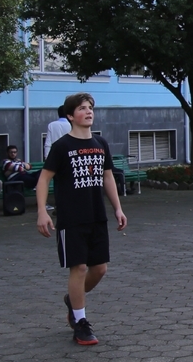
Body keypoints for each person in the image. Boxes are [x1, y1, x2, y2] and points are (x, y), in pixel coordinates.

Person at [34, 93, 126, 345]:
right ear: (70, 116)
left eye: (90, 108)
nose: (88, 112)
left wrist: (118, 208)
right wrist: (42, 211)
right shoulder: (62, 146)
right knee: (80, 268)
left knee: (100, 269)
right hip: (71, 218)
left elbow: (108, 177)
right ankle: (81, 322)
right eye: (82, 108)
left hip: (97, 216)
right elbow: (44, 179)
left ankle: (73, 300)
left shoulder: (100, 143)